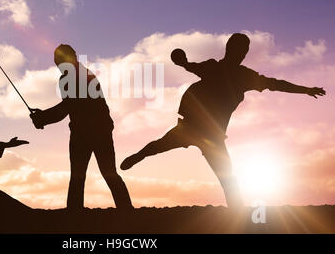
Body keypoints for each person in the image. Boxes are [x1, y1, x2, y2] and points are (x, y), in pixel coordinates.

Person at [120, 33, 326, 208]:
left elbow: (275, 84)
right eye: (240, 49)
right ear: (229, 48)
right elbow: (190, 66)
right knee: (159, 146)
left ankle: (237, 211)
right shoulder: (214, 67)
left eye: (245, 51)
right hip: (192, 127)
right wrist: (181, 61)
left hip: (211, 135)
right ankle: (139, 155)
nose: (243, 54)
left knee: (227, 176)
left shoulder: (243, 75)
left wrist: (305, 90)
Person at [30, 44, 133, 210]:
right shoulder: (77, 75)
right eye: (56, 60)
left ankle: (76, 214)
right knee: (103, 173)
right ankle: (126, 211)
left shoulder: (76, 77)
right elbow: (68, 106)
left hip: (90, 131)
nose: (57, 63)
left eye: (59, 60)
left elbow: (68, 107)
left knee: (83, 175)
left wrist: (43, 118)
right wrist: (44, 117)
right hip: (92, 130)